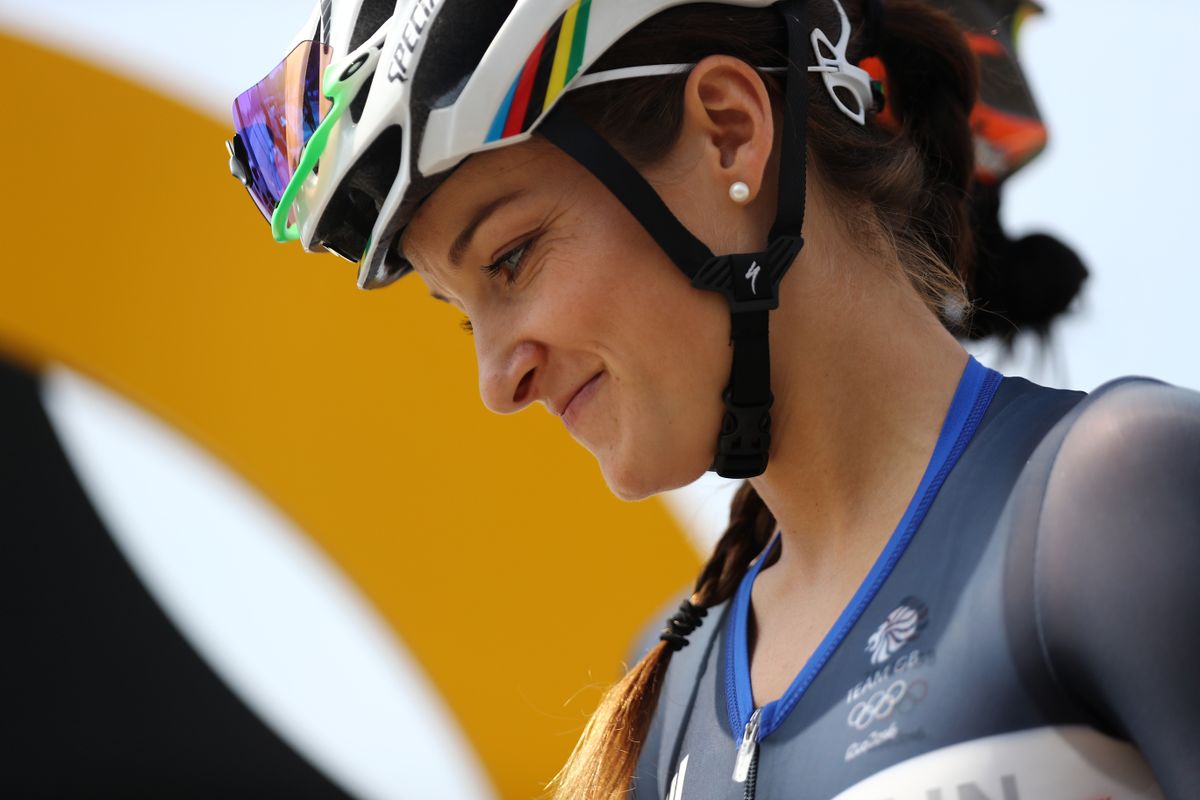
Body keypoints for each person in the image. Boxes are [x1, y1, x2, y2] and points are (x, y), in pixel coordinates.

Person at [225, 0, 1200, 798]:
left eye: (511, 258)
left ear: (730, 135)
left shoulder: (1115, 500)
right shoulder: (668, 688)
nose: (496, 380)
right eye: (458, 311)